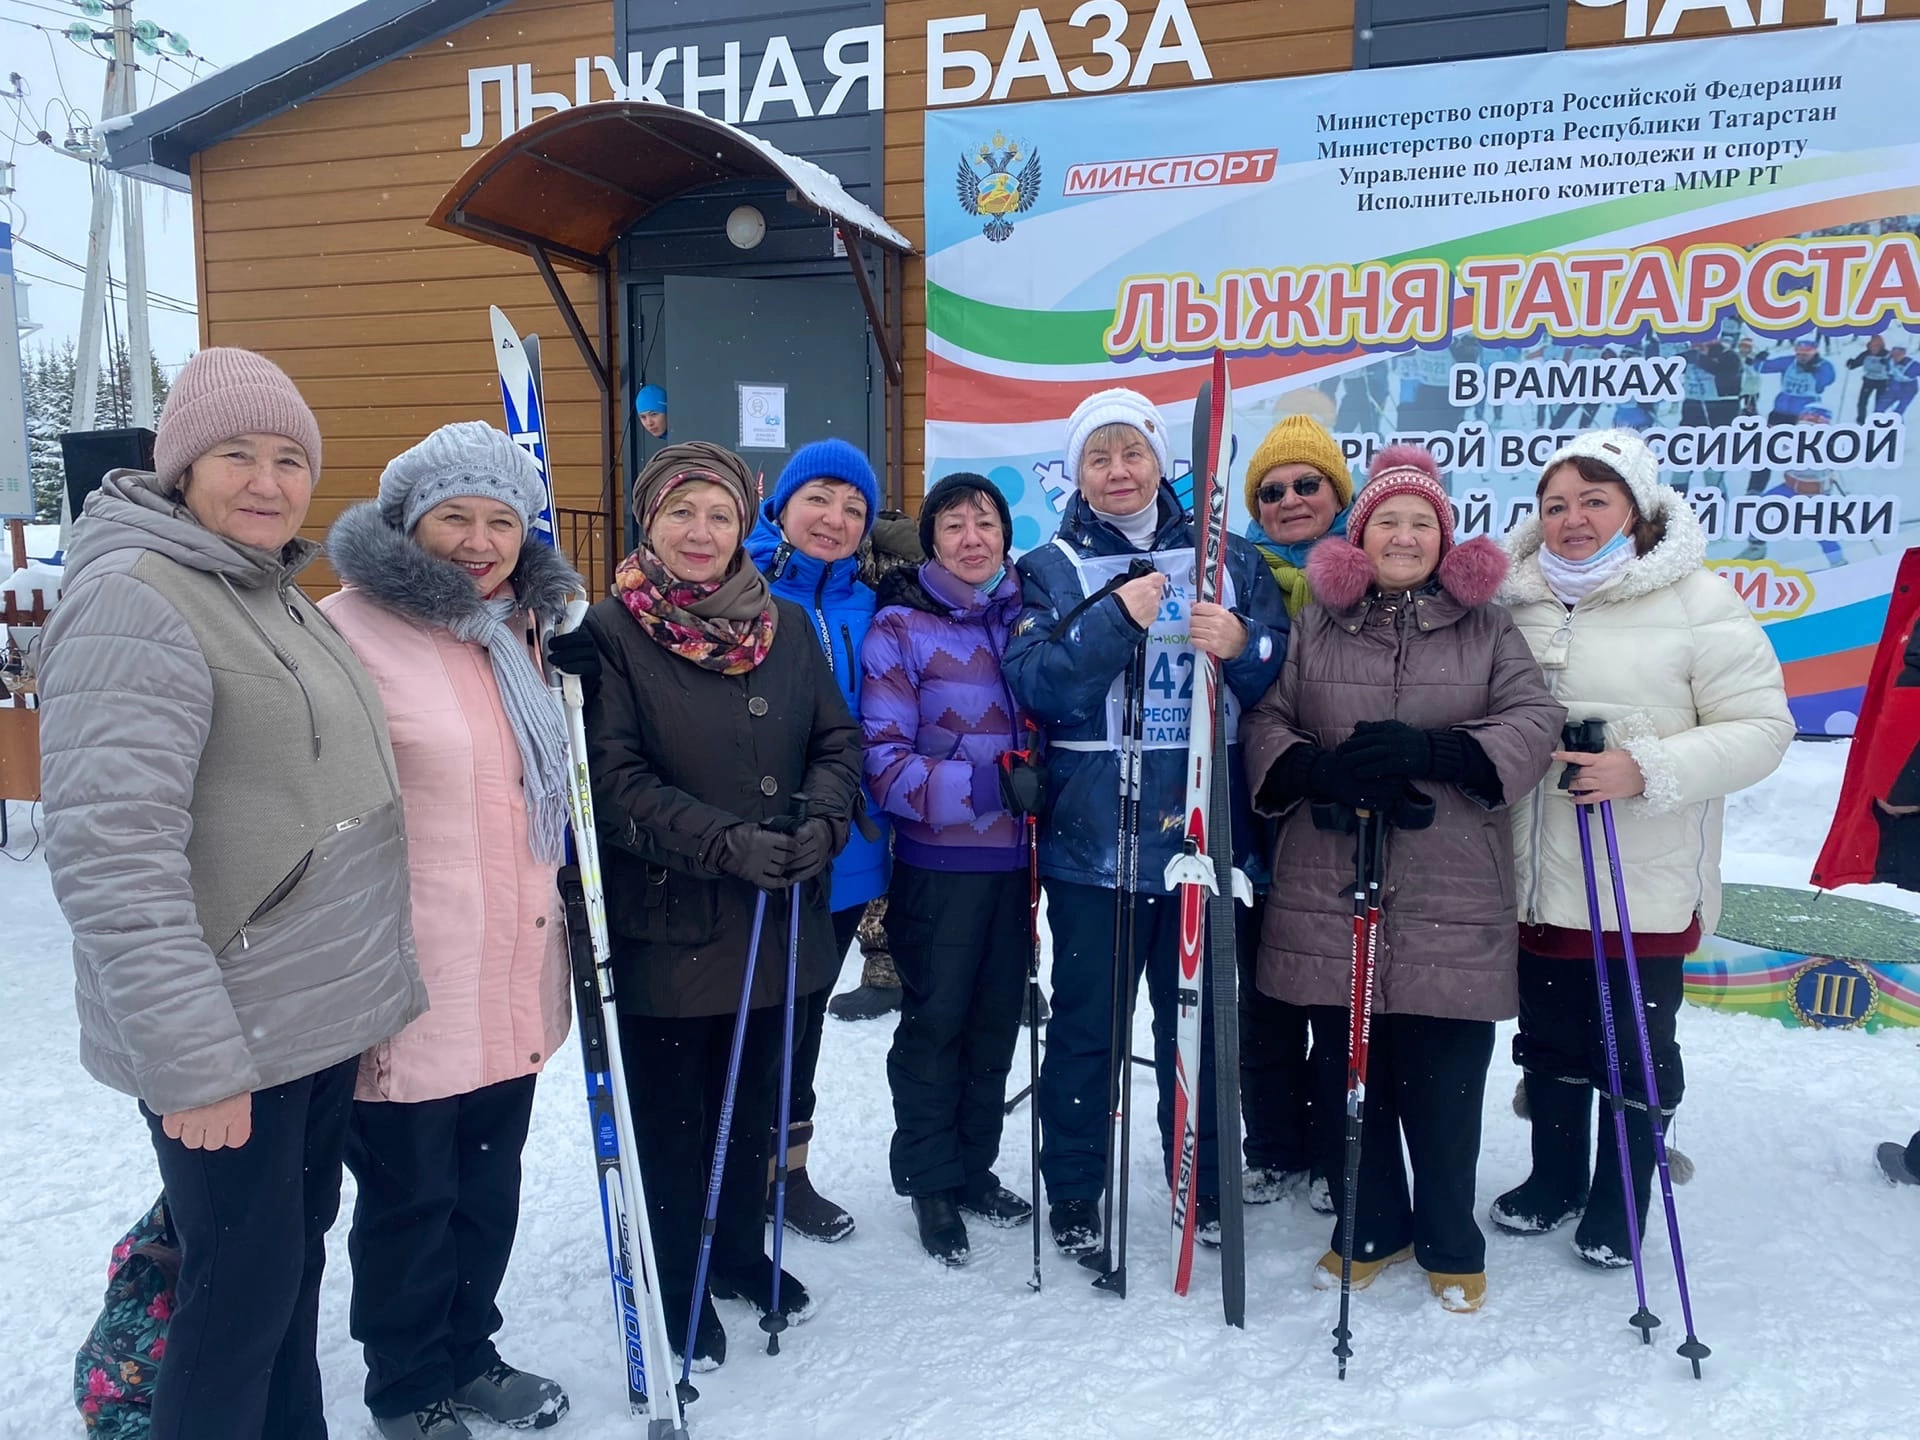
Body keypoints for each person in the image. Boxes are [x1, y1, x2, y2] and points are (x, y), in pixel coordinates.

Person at [36, 348, 425, 1440]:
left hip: (306, 1027)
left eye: (290, 457)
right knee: (234, 1306)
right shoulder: (135, 600)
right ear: (179, 469)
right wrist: (193, 1065)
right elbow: (113, 854)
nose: (268, 480)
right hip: (225, 1041)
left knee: (286, 1289)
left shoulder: (270, 592)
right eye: (237, 455)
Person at [1243, 443, 1561, 1314]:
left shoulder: (1487, 624)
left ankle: (1449, 1228)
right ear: (1361, 535)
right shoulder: (1316, 624)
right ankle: (1369, 1218)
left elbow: (1536, 718)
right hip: (1331, 877)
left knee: (1445, 1068)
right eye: (1389, 520)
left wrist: (1445, 750)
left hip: (1449, 881)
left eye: (1423, 521)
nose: (1406, 535)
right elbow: (1267, 719)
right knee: (1349, 1068)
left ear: (1447, 538)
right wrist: (1315, 770)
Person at [563, 441, 860, 1368]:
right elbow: (610, 783)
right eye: (681, 513)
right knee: (679, 1115)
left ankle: (735, 1249)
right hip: (674, 923)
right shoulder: (610, 633)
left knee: (758, 1101)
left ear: (745, 525)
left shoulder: (786, 626)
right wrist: (721, 841)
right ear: (649, 521)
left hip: (780, 920)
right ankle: (676, 1273)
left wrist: (826, 818)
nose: (701, 533)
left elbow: (836, 739)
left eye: (720, 515)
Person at [320, 422, 577, 1439]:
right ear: (408, 523)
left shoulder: (524, 632)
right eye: (454, 518)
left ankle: (471, 1353)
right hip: (406, 973)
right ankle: (408, 1382)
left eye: (499, 521)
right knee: (408, 1200)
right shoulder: (343, 630)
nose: (478, 541)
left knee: (485, 1186)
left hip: (511, 963)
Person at [1492, 428, 1792, 1267]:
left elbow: (1765, 730)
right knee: (1547, 1040)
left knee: (1635, 1044)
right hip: (1534, 877)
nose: (1573, 520)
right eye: (1557, 505)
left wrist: (1646, 766)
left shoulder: (1698, 601)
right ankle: (1554, 1180)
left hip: (1642, 880)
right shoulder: (1515, 599)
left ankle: (1621, 1202)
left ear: (1636, 509)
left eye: (1595, 501)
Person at [1004, 387, 1289, 1256]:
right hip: (1094, 848)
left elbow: (1279, 674)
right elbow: (1039, 684)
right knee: (1087, 1032)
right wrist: (1117, 625)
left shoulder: (1228, 559)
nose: (1118, 472)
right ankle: (1079, 1191)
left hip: (1200, 839)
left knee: (1196, 1027)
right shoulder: (1046, 567)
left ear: (1163, 462)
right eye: (1099, 456)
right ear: (1077, 472)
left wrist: (1243, 647)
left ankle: (1198, 1183)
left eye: (1133, 453)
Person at [860, 472, 1036, 1264]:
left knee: (995, 1021)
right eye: (955, 525)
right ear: (931, 541)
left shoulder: (1025, 618)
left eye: (986, 523)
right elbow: (885, 763)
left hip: (1016, 868)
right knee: (937, 1024)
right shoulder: (901, 629)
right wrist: (991, 783)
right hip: (938, 866)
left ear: (1004, 533)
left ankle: (974, 1166)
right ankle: (930, 1181)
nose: (973, 538)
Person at [742, 437, 891, 1242]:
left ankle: (786, 1174)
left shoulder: (873, 605)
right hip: (761, 848)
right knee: (750, 1022)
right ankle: (725, 1171)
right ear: (783, 506)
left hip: (849, 856)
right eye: (820, 499)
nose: (834, 519)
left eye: (854, 508)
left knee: (802, 1022)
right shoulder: (742, 588)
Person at [1237, 413, 1358, 1211]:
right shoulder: (1238, 574)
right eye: (1272, 490)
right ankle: (1273, 1143)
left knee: (1334, 998)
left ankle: (1329, 1151)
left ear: (1337, 492)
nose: (1290, 499)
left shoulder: (1376, 568)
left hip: (1344, 818)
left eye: (1306, 484)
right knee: (1261, 996)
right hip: (1257, 813)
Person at [1847, 335, 1892, 423]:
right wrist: (1851, 363)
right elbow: (1855, 364)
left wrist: (1887, 363)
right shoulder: (1866, 354)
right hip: (1868, 381)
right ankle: (1861, 420)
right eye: (1872, 346)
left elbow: (1894, 367)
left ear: (1881, 346)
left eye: (1877, 346)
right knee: (1862, 402)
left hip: (1882, 382)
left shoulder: (1887, 355)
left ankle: (1877, 421)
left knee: (1879, 403)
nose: (1874, 348)